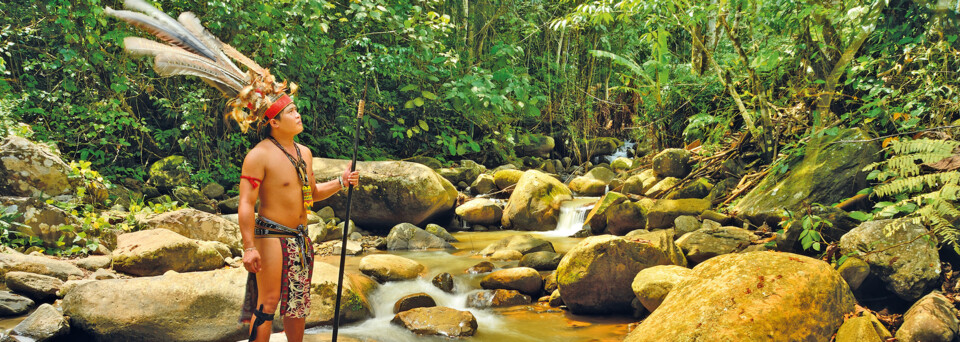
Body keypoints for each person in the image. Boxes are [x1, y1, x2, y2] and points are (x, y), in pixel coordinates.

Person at [237, 92, 359, 342]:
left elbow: (311, 194)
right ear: (274, 122)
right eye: (291, 112)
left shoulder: (304, 153)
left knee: (297, 305)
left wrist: (341, 181)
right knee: (268, 303)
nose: (298, 114)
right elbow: (246, 203)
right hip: (271, 235)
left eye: (296, 109)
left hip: (300, 239)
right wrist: (249, 248)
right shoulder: (259, 155)